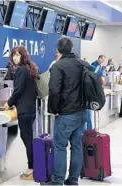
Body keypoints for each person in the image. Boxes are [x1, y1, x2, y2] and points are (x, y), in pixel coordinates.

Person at [48, 37, 87, 185]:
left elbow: (54, 90)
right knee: (77, 147)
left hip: (65, 114)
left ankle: (58, 182)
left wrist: (53, 109)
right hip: (82, 112)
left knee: (60, 147)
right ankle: (72, 180)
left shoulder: (58, 66)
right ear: (71, 48)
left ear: (58, 50)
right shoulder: (82, 64)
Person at [3, 46, 38, 180]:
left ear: (23, 56)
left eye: (17, 55)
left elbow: (18, 90)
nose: (15, 58)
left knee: (27, 138)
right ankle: (33, 165)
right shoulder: (30, 69)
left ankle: (31, 167)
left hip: (24, 110)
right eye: (13, 55)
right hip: (30, 109)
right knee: (28, 138)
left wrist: (9, 103)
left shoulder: (21, 70)